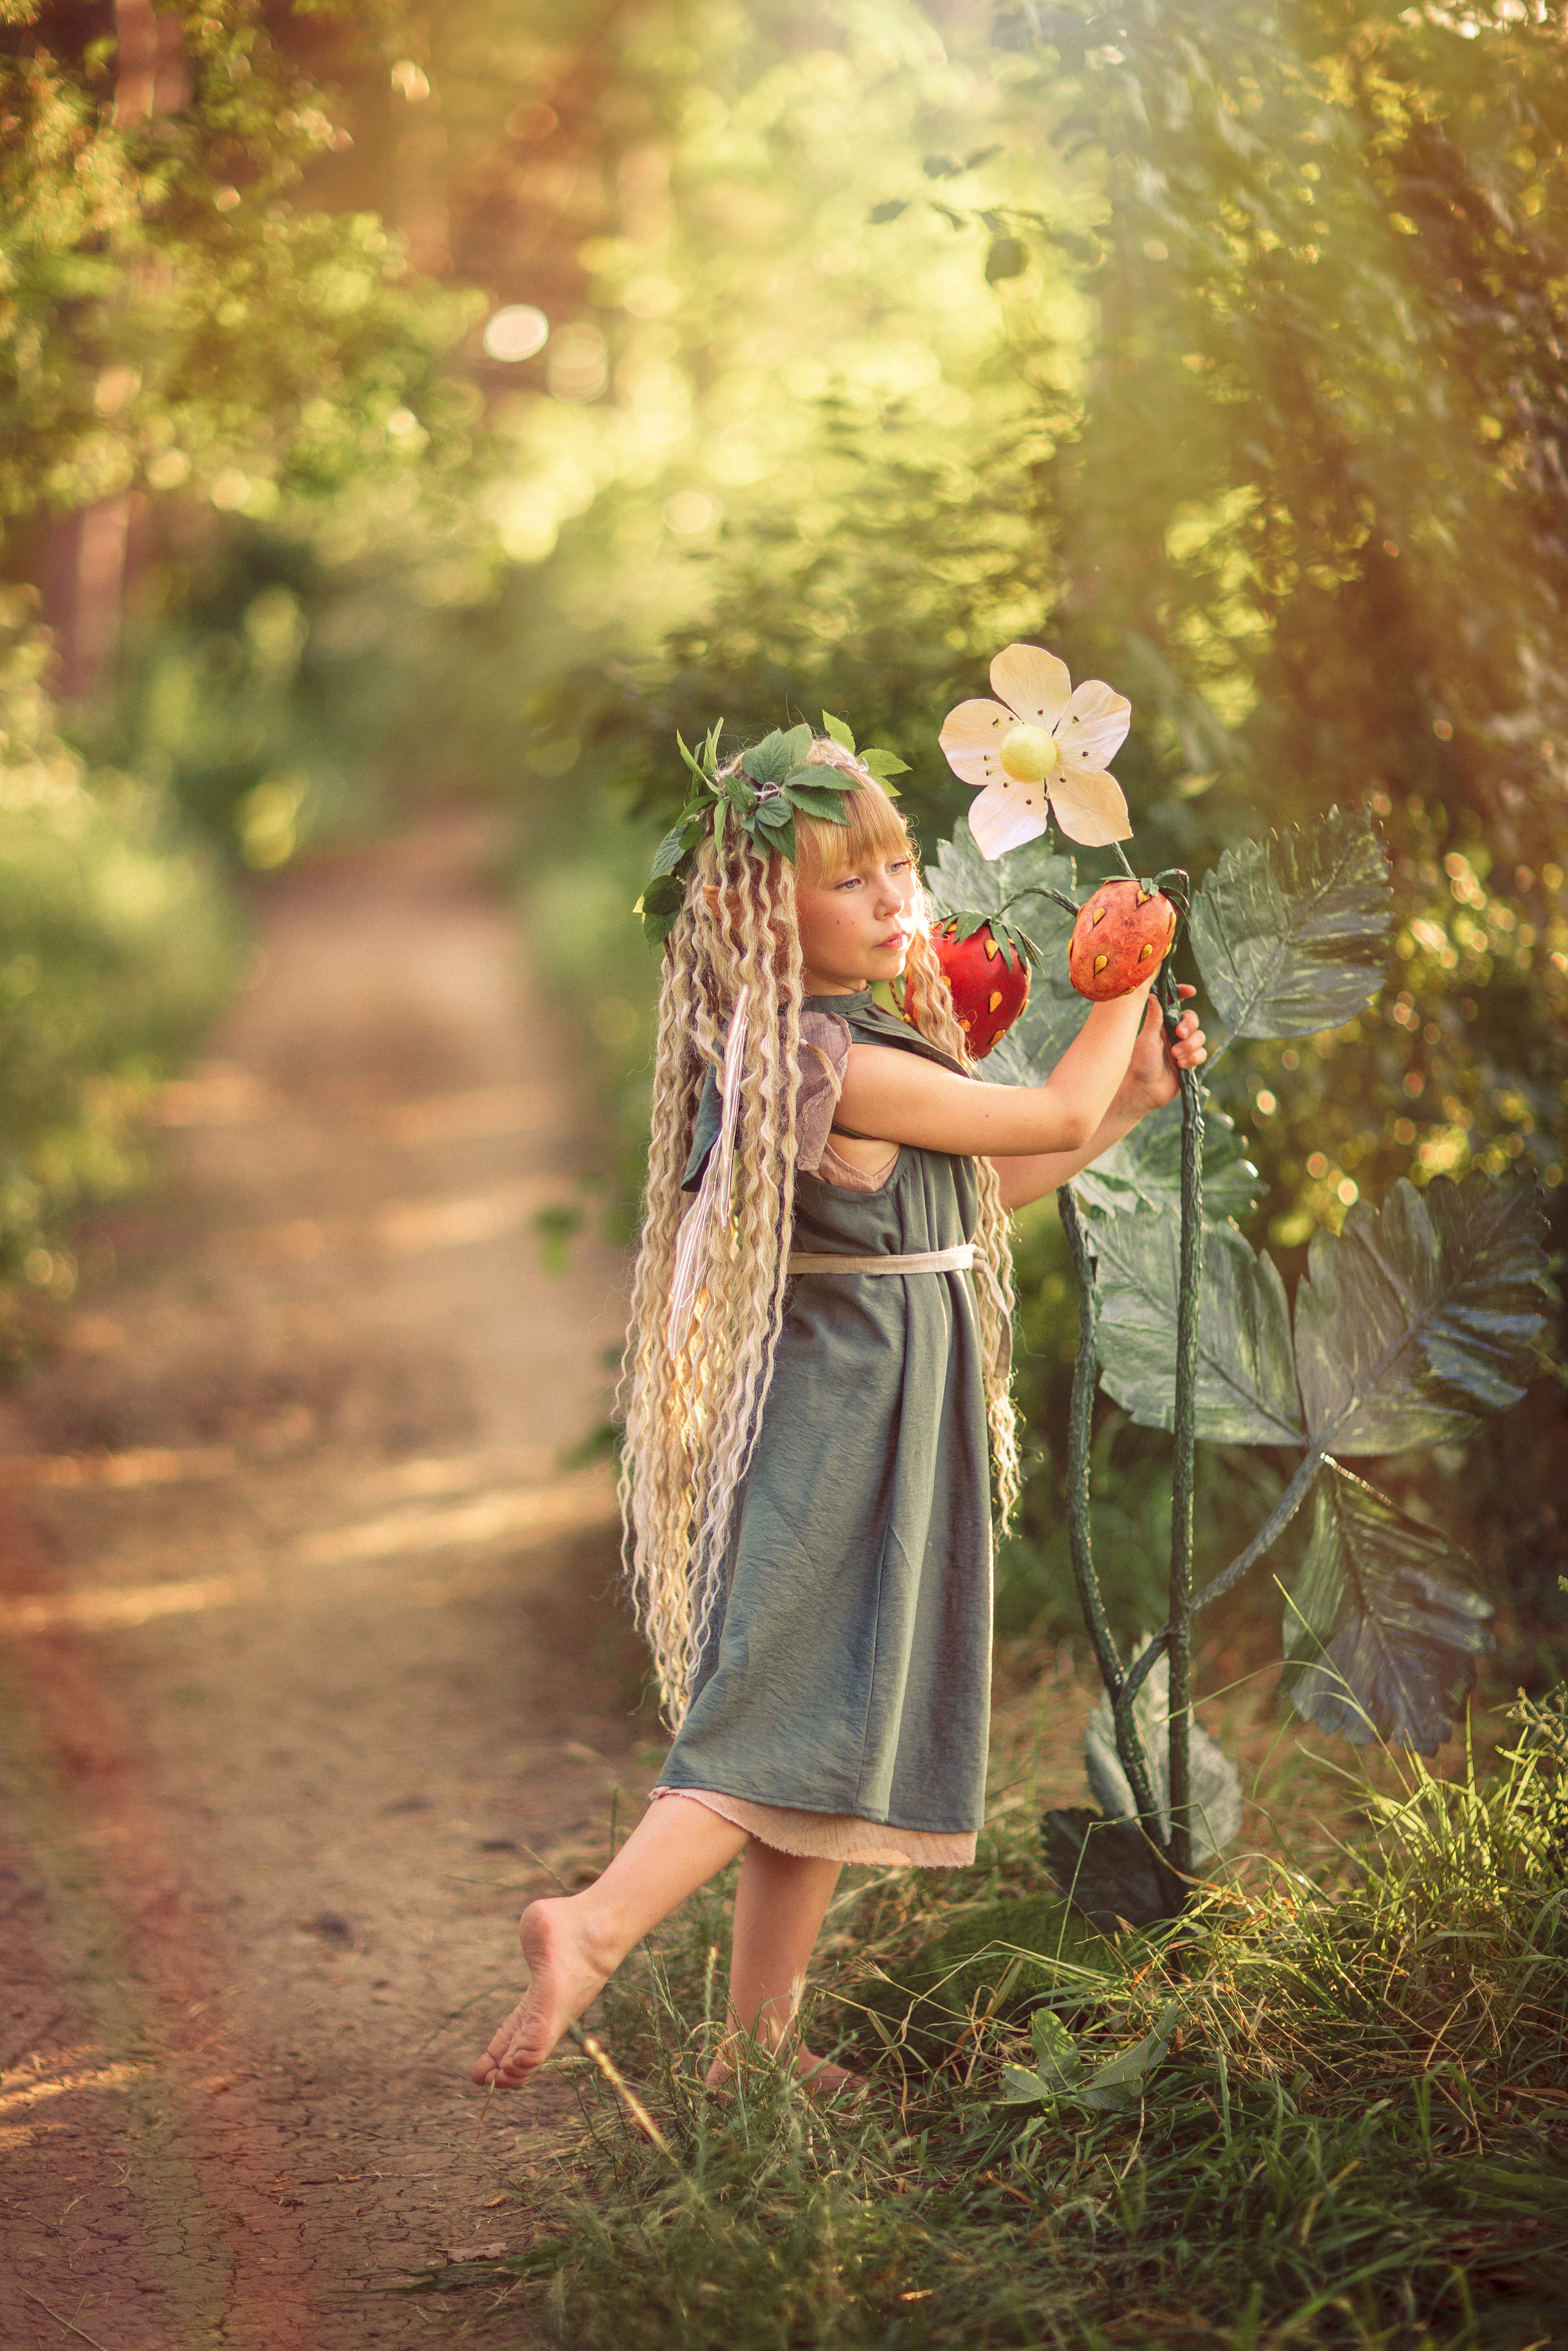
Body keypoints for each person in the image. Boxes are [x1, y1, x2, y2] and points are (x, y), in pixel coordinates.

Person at [473, 731, 1205, 2097]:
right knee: (776, 1714)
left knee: (828, 1727)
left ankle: (752, 2052)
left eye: (896, 868)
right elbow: (1043, 1106)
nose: (891, 901)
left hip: (878, 1409)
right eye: (849, 881)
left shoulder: (861, 1040)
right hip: (838, 1423)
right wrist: (1123, 986)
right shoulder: (829, 1057)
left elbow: (973, 1206)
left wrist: (1132, 1100)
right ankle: (596, 1922)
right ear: (768, 915)